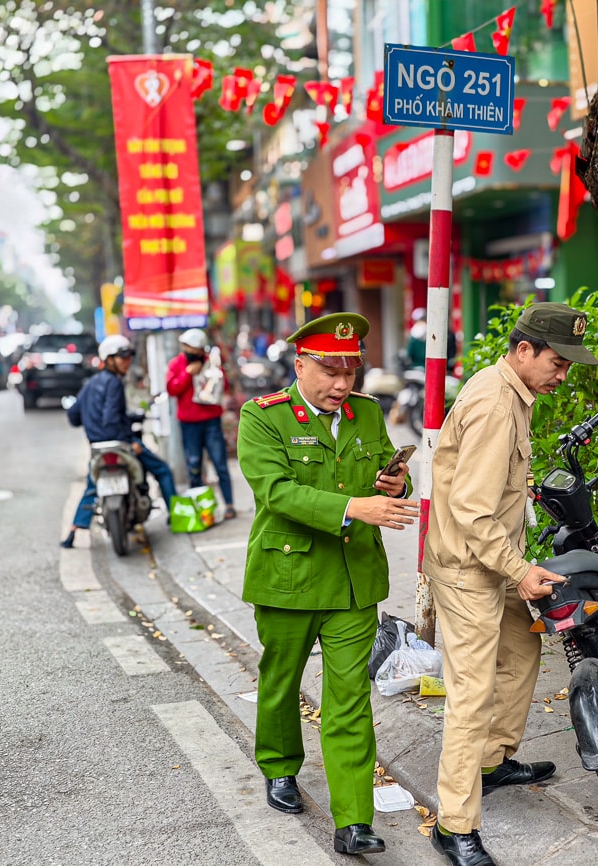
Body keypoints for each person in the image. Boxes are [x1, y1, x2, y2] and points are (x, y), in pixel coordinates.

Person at [423, 302, 598, 866]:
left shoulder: (515, 392)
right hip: (469, 566)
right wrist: (521, 570)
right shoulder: (497, 403)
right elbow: (471, 511)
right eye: (557, 362)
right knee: (471, 693)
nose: (562, 375)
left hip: (494, 558)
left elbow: (488, 488)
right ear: (524, 350)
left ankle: (493, 761)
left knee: (523, 649)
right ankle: (454, 825)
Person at [237, 312, 418, 856]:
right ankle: (278, 766)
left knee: (349, 701)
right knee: (280, 681)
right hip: (286, 577)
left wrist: (394, 482)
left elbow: (378, 485)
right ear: (300, 365)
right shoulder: (262, 416)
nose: (342, 384)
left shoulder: (366, 413)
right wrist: (354, 505)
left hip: (352, 582)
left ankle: (354, 821)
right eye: (330, 371)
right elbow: (276, 492)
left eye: (351, 371)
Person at [61, 335, 178, 548]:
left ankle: (72, 533)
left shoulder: (90, 384)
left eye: (128, 357)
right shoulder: (114, 383)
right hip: (121, 443)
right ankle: (177, 515)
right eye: (122, 357)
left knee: (91, 486)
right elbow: (111, 418)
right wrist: (127, 442)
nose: (127, 362)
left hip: (97, 448)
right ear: (108, 360)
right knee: (162, 470)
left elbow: (73, 416)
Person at [166, 328, 235, 520]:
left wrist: (213, 373)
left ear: (201, 350)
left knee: (220, 463)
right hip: (189, 425)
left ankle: (229, 505)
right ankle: (198, 510)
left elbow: (224, 386)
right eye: (186, 346)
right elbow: (172, 389)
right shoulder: (177, 363)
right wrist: (188, 374)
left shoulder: (212, 363)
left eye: (193, 348)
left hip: (211, 421)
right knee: (194, 466)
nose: (189, 350)